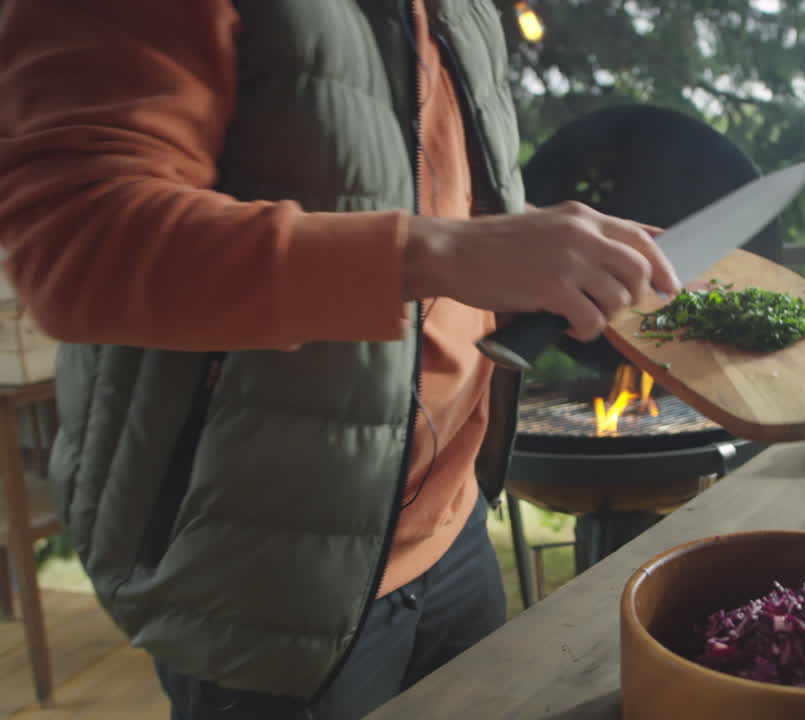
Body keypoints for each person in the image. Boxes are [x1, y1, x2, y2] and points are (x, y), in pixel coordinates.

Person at [0, 2, 679, 718]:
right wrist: (441, 253)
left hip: (453, 526)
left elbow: (426, 191)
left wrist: (535, 264)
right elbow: (78, 247)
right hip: (263, 571)